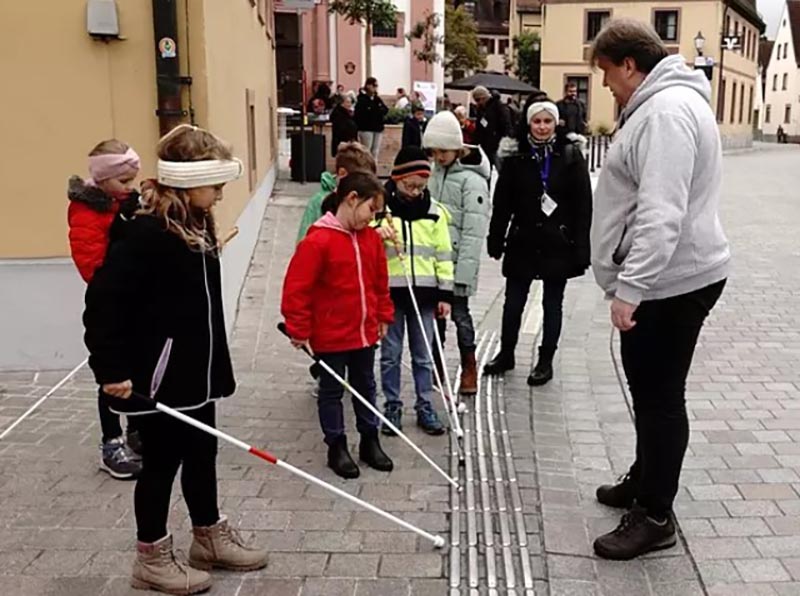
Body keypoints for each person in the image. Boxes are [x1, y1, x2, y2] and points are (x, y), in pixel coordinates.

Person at [83, 124, 268, 594]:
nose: (222, 194)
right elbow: (103, 300)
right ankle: (151, 555)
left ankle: (207, 535)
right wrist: (111, 370)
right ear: (187, 181)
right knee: (162, 463)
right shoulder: (147, 231)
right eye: (216, 185)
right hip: (160, 377)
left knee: (202, 454)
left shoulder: (194, 222)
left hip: (197, 372)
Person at [589, 19, 729, 561]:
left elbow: (661, 213)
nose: (605, 85)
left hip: (669, 284)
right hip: (670, 278)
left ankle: (653, 515)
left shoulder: (667, 112)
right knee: (652, 396)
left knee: (659, 398)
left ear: (629, 64)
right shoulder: (663, 105)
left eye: (606, 72)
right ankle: (645, 479)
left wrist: (632, 288)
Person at [282, 173, 395, 479]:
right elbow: (297, 288)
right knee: (332, 391)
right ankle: (337, 445)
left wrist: (383, 314)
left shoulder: (370, 239)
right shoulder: (318, 240)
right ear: (352, 198)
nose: (374, 218)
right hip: (331, 335)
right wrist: (299, 327)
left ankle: (370, 439)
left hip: (363, 331)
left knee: (366, 386)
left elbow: (379, 282)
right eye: (372, 209)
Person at [484, 100, 592, 385]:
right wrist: (495, 238)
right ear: (528, 123)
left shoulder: (570, 155)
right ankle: (506, 353)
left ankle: (545, 361)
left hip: (558, 241)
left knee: (552, 304)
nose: (542, 127)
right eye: (537, 121)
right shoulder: (516, 155)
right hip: (523, 239)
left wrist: (582, 247)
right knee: (513, 303)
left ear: (555, 123)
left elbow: (583, 205)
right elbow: (502, 202)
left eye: (547, 121)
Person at [67, 139, 143, 480]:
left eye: (132, 182)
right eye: (123, 183)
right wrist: (124, 232)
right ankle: (111, 441)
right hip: (109, 303)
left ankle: (137, 430)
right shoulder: (87, 211)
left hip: (134, 299)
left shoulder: (122, 203)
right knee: (112, 376)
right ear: (102, 180)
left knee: (140, 369)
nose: (130, 189)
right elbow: (93, 267)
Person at [377, 147, 454, 436]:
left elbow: (443, 255)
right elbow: (368, 247)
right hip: (391, 296)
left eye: (420, 186)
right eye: (408, 185)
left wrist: (445, 295)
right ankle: (392, 406)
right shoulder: (381, 210)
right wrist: (378, 236)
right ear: (396, 180)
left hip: (424, 295)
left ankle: (425, 406)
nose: (414, 191)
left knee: (423, 355)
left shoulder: (434, 212)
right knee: (390, 354)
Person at [422, 111, 491, 395]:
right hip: (434, 263)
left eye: (443, 151)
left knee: (461, 317)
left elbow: (474, 233)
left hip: (458, 264)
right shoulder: (433, 175)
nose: (438, 157)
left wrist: (462, 274)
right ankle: (435, 366)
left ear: (456, 148)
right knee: (435, 317)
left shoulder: (472, 181)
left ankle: (469, 366)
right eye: (434, 151)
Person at [296, 142, 376, 243]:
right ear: (342, 174)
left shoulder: (365, 201)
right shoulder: (318, 202)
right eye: (360, 182)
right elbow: (303, 242)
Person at [471, 86, 514, 169]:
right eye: (476, 100)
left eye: (479, 100)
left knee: (501, 170)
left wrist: (504, 142)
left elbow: (506, 125)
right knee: (487, 169)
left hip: (497, 145)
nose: (478, 102)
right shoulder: (481, 109)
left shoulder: (498, 107)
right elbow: (479, 129)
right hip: (486, 145)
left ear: (484, 97)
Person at [355, 77, 389, 160]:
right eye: (374, 85)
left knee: (375, 151)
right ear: (368, 86)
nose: (375, 88)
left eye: (376, 86)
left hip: (377, 128)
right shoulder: (362, 99)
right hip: (366, 128)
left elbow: (385, 109)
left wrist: (377, 109)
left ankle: (373, 169)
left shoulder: (377, 99)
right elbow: (363, 113)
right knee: (366, 150)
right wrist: (375, 109)